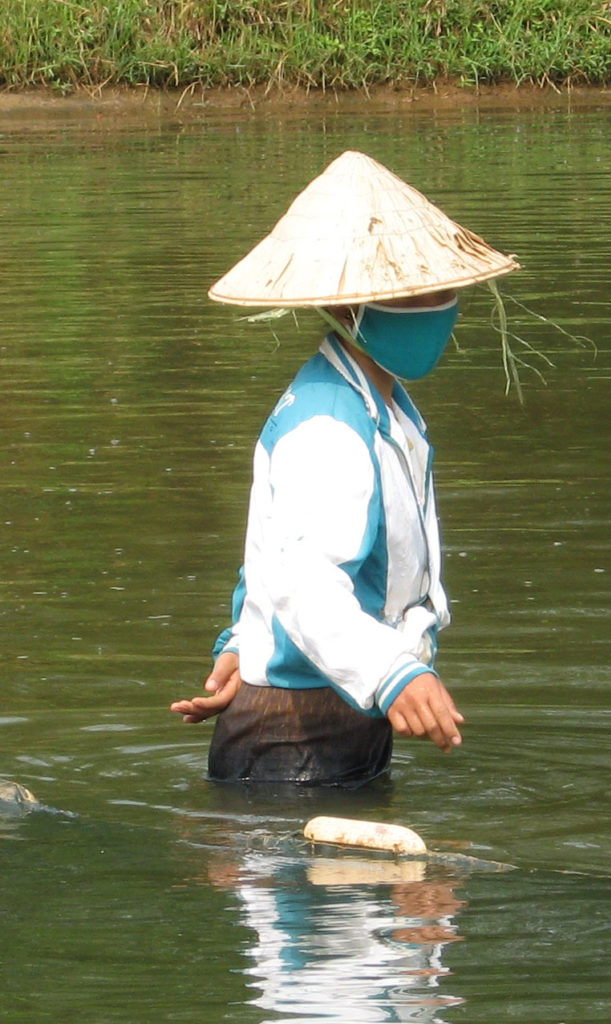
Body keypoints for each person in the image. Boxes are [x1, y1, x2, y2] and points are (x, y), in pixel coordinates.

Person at [171, 151, 518, 786]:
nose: (443, 304)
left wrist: (244, 636)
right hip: (294, 739)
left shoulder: (380, 405)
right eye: (420, 289)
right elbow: (305, 581)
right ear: (354, 307)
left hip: (333, 719)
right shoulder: (330, 425)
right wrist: (396, 674)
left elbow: (276, 551)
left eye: (443, 288)